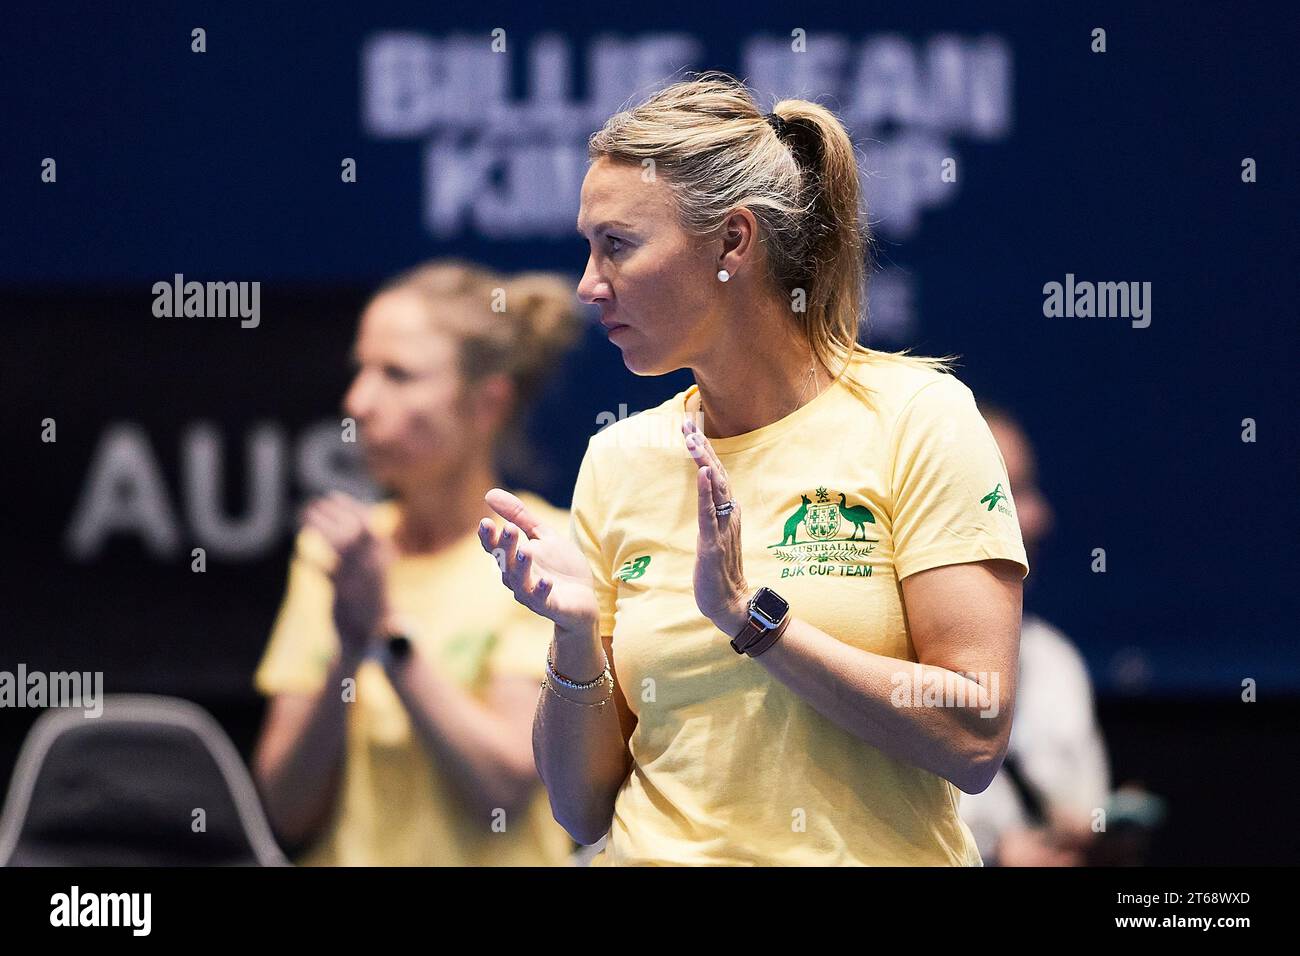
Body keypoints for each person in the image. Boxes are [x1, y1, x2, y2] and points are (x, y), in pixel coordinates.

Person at [479, 72, 1028, 865]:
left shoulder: (918, 419)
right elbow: (581, 808)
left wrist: (753, 621)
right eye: (589, 247)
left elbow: (974, 733)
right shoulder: (619, 458)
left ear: (733, 242)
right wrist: (572, 639)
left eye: (618, 245)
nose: (588, 285)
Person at [251, 260, 582, 866]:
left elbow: (503, 790)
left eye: (397, 375)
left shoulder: (542, 549)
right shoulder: (336, 554)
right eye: (362, 370)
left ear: (487, 404)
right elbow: (284, 810)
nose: (358, 400)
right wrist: (348, 651)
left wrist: (384, 633)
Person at [958, 405, 1111, 866]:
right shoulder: (873, 667)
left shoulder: (1055, 660)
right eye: (1013, 493)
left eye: (1031, 490)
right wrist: (993, 858)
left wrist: (1098, 834)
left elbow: (1087, 814)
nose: (1039, 518)